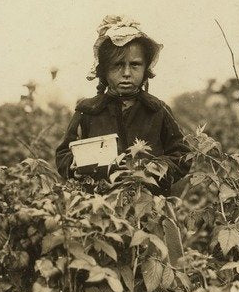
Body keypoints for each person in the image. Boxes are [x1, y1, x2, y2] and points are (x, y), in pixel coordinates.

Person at [55, 15, 191, 195]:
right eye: (118, 65)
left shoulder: (158, 110)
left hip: (149, 205)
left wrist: (152, 171)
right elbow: (63, 154)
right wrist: (74, 166)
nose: (126, 73)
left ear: (145, 69)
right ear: (103, 70)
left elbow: (181, 155)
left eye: (135, 65)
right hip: (100, 205)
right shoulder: (87, 111)